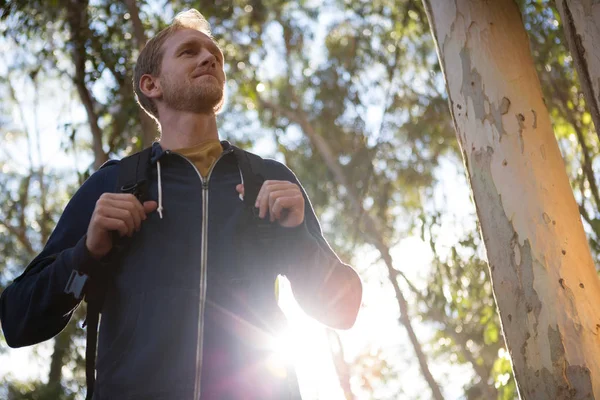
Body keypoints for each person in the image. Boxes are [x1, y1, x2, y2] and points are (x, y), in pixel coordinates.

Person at [0, 9, 362, 400]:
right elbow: (18, 320)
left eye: (215, 56)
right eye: (189, 52)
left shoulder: (268, 179)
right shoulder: (115, 183)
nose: (209, 58)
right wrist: (86, 254)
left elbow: (342, 311)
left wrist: (297, 240)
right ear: (151, 84)